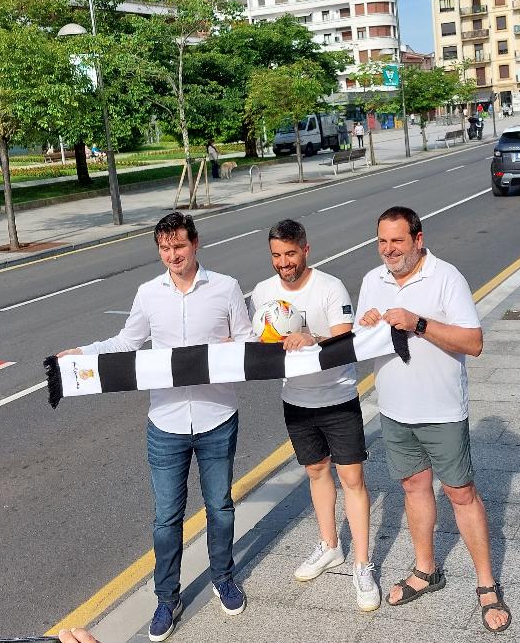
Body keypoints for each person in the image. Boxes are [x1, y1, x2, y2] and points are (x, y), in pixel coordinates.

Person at [57, 213, 252, 642]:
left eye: (179, 247)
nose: (172, 256)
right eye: (164, 249)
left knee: (220, 506)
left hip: (217, 416)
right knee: (166, 519)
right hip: (165, 422)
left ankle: (223, 577)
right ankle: (168, 598)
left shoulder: (226, 288)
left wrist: (233, 346)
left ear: (195, 243)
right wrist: (83, 353)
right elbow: (127, 342)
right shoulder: (149, 293)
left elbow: (248, 340)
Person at [355, 207, 511, 634]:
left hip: (442, 410)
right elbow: (359, 344)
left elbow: (474, 343)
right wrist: (366, 325)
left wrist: (419, 323)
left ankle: (486, 585)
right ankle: (426, 571)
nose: (389, 250)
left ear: (418, 239)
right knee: (413, 487)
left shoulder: (447, 277)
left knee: (461, 494)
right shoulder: (373, 280)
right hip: (393, 409)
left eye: (397, 241)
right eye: (382, 242)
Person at [250, 219, 379, 611]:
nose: (283, 263)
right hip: (297, 401)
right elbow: (261, 340)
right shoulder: (262, 292)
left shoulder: (330, 287)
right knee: (316, 472)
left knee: (352, 478)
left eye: (290, 254)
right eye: (276, 255)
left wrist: (312, 338)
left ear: (306, 249)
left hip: (337, 398)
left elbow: (344, 338)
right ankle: (330, 546)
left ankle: (363, 564)